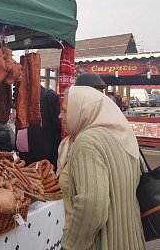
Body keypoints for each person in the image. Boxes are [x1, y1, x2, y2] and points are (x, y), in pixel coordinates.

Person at [58, 86, 145, 250]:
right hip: (130, 239)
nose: (60, 116)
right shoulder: (122, 135)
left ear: (82, 111)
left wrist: (70, 245)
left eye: (65, 110)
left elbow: (91, 206)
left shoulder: (86, 143)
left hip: (103, 243)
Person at [25, 85, 61, 168]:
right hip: (24, 159)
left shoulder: (50, 97)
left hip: (45, 162)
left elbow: (58, 132)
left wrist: (52, 161)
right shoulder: (21, 98)